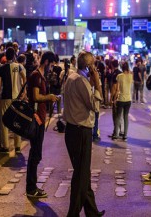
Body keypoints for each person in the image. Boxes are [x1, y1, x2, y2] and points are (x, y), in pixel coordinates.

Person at [62, 51, 105, 217]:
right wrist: (98, 85)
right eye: (93, 65)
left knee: (82, 173)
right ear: (88, 67)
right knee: (80, 176)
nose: (95, 68)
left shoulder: (72, 77)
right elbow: (94, 105)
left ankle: (91, 211)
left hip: (72, 130)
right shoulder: (82, 81)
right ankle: (72, 214)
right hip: (81, 132)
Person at [26, 51, 59, 199]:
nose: (51, 68)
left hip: (40, 118)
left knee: (36, 154)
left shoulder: (41, 77)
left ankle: (32, 186)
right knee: (35, 154)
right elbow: (35, 96)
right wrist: (50, 97)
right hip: (36, 119)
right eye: (51, 65)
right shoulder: (36, 76)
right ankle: (31, 188)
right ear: (46, 62)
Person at [0, 47, 25, 153]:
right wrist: (24, 91)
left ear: (5, 56)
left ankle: (5, 146)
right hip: (17, 97)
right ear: (14, 56)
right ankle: (17, 146)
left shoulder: (1, 68)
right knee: (16, 121)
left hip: (5, 98)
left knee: (4, 121)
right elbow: (24, 79)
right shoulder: (19, 67)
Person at [112, 61, 132, 141]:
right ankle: (125, 135)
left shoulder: (119, 76)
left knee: (118, 117)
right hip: (128, 99)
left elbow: (116, 88)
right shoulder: (131, 76)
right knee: (126, 117)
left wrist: (113, 99)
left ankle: (116, 134)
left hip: (120, 99)